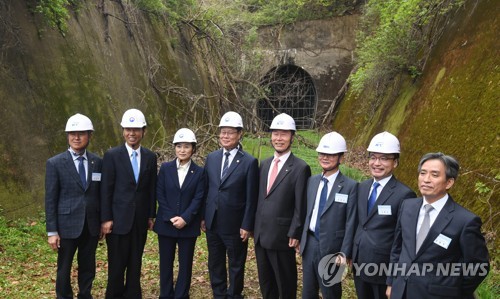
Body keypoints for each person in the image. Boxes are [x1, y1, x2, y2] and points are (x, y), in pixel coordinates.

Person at [386, 152, 490, 298]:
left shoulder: (465, 221)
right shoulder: (407, 206)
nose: (426, 180)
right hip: (400, 291)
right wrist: (391, 282)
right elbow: (397, 248)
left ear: (449, 182)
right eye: (423, 173)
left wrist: (452, 290)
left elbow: (479, 266)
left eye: (434, 175)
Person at [100, 108, 157, 298]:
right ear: (123, 131)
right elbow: (106, 189)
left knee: (135, 263)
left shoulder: (150, 157)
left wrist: (151, 214)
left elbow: (151, 188)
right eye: (128, 129)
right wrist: (106, 218)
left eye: (136, 129)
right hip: (117, 222)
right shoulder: (112, 155)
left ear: (144, 131)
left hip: (139, 221)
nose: (132, 133)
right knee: (116, 265)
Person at [352, 131, 416, 299]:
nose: (377, 163)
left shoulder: (405, 195)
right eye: (373, 157)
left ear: (395, 162)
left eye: (384, 158)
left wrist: (393, 279)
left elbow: (402, 240)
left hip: (382, 269)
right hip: (360, 263)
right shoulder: (362, 187)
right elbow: (360, 224)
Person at [254, 113, 312, 299]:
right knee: (266, 281)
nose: (279, 138)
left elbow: (300, 203)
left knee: (284, 282)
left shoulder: (300, 167)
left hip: (282, 236)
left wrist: (295, 231)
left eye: (284, 134)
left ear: (292, 137)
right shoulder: (264, 164)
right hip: (261, 234)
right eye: (275, 134)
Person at [202, 111, 259, 299]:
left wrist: (247, 224)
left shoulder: (249, 162)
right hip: (213, 221)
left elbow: (251, 197)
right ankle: (218, 293)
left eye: (230, 132)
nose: (225, 136)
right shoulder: (212, 158)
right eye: (222, 132)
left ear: (239, 134)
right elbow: (207, 189)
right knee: (215, 261)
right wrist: (204, 216)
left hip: (235, 224)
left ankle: (234, 294)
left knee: (236, 262)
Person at [45, 113, 102, 299]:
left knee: (88, 265)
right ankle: (64, 296)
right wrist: (52, 231)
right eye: (72, 133)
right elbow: (51, 198)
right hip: (66, 225)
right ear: (68, 136)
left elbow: (100, 194)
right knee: (64, 266)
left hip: (90, 225)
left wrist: (101, 220)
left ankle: (85, 294)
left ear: (89, 135)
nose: (76, 137)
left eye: (81, 133)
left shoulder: (98, 162)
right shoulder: (55, 163)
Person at [300, 132, 358, 299]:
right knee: (308, 291)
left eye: (331, 155)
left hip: (334, 248)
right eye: (322, 154)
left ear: (341, 158)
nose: (325, 157)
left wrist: (344, 253)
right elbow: (307, 212)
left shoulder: (350, 186)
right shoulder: (312, 181)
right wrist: (301, 238)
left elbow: (351, 222)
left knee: (331, 292)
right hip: (310, 244)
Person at [154, 128, 205, 299]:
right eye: (179, 146)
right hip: (166, 224)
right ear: (174, 148)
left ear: (193, 149)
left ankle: (181, 295)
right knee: (165, 263)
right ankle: (166, 294)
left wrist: (185, 218)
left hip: (188, 226)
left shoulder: (199, 172)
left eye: (186, 146)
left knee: (185, 265)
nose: (182, 150)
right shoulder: (166, 168)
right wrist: (170, 216)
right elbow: (160, 193)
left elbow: (198, 198)